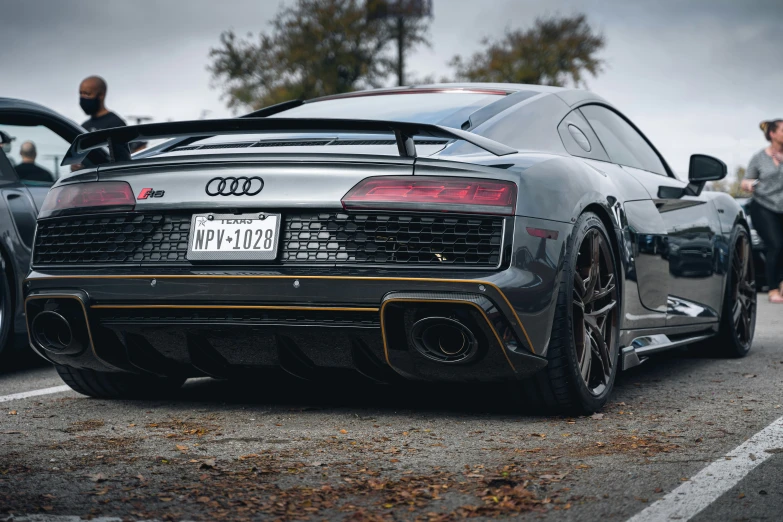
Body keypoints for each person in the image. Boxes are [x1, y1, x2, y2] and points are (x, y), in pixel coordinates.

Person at [741, 118, 783, 303]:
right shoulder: (759, 157)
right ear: (772, 134)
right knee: (775, 245)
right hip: (764, 207)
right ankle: (773, 289)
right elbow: (746, 180)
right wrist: (750, 184)